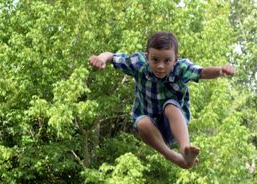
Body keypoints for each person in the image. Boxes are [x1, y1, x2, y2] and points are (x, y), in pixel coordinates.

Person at [88, 31, 235, 169]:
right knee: (141, 121)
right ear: (147, 57)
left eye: (167, 61)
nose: (160, 66)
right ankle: (176, 158)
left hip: (174, 126)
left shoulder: (181, 68)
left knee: (170, 105)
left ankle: (185, 149)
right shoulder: (139, 64)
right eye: (155, 60)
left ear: (175, 60)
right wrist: (101, 59)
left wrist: (220, 71)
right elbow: (111, 56)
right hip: (150, 130)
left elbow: (201, 72)